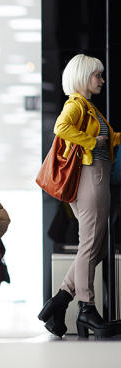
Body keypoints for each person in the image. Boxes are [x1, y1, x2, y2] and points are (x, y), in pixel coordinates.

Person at [37, 54, 119, 338]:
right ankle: (86, 307)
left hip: (98, 176)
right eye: (98, 75)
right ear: (85, 76)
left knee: (97, 246)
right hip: (90, 176)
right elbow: (61, 127)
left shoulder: (89, 107)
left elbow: (107, 139)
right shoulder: (75, 104)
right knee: (90, 244)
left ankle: (59, 302)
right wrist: (89, 141)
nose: (102, 80)